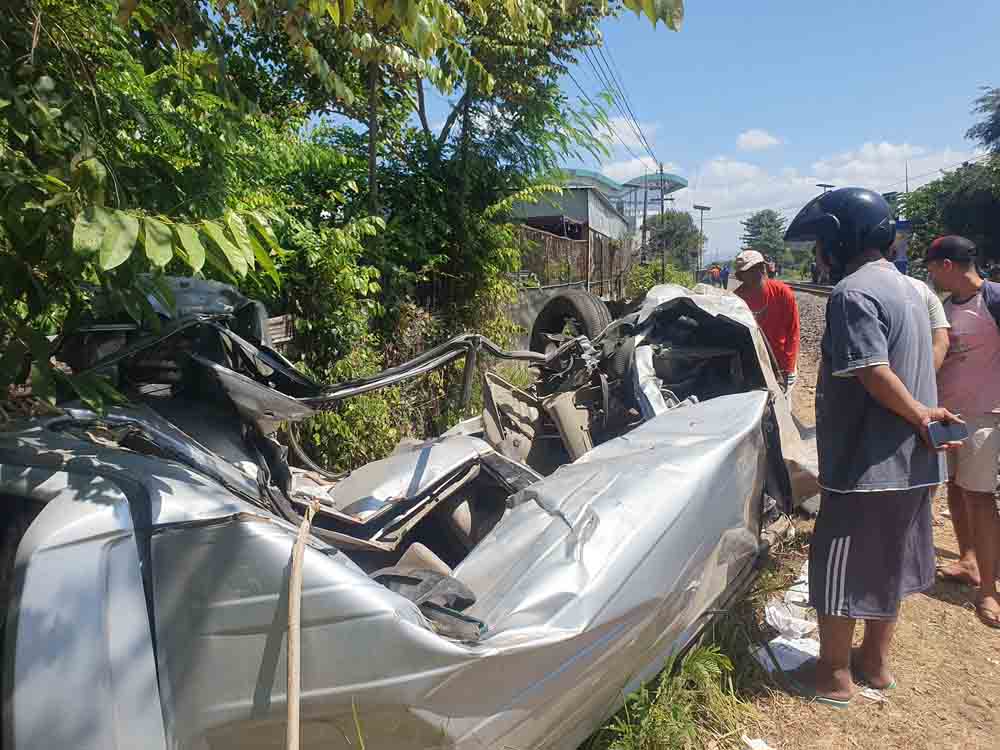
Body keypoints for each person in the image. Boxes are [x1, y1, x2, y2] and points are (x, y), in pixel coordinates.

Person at [783, 188, 961, 706]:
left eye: (821, 242)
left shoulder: (851, 292)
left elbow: (869, 369)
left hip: (868, 464)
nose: (818, 254)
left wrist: (919, 413)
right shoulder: (911, 289)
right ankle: (875, 665)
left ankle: (833, 675)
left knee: (836, 564)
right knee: (890, 560)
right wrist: (923, 419)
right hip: (918, 463)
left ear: (842, 238)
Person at [923, 235, 1000, 628]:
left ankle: (988, 591)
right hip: (945, 415)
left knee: (981, 497)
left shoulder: (994, 300)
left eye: (932, 267)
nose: (931, 275)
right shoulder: (947, 308)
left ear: (947, 265)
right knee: (954, 486)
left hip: (982, 415)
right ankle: (968, 560)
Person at [733, 249, 800, 392]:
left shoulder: (782, 293)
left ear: (764, 268)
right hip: (753, 364)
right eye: (749, 270)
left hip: (782, 361)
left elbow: (792, 333)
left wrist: (787, 369)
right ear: (741, 276)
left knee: (782, 406)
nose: (757, 272)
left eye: (758, 268)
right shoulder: (735, 299)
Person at [880, 245, 951, 369]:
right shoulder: (922, 288)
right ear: (893, 254)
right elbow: (941, 342)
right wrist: (925, 379)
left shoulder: (851, 290)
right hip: (916, 381)